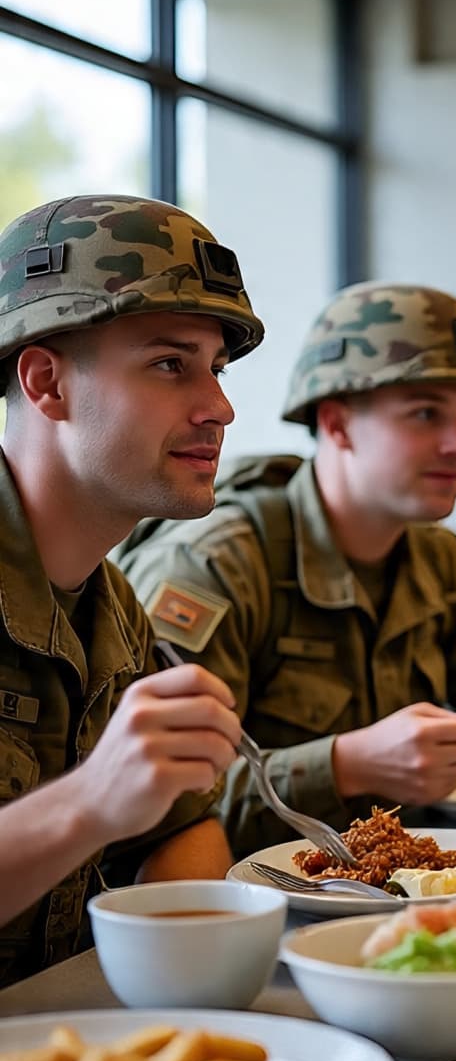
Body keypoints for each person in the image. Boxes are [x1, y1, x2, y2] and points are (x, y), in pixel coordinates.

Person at [118, 282, 456, 857]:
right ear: (336, 425)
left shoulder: (441, 561)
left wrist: (441, 759)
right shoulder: (219, 563)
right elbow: (158, 808)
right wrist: (344, 767)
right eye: (425, 415)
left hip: (419, 884)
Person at [0, 193, 262, 984]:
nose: (220, 407)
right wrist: (89, 805)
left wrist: (202, 977)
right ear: (47, 383)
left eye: (213, 368)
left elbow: (178, 829)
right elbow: (112, 806)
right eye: (169, 364)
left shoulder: (109, 600)